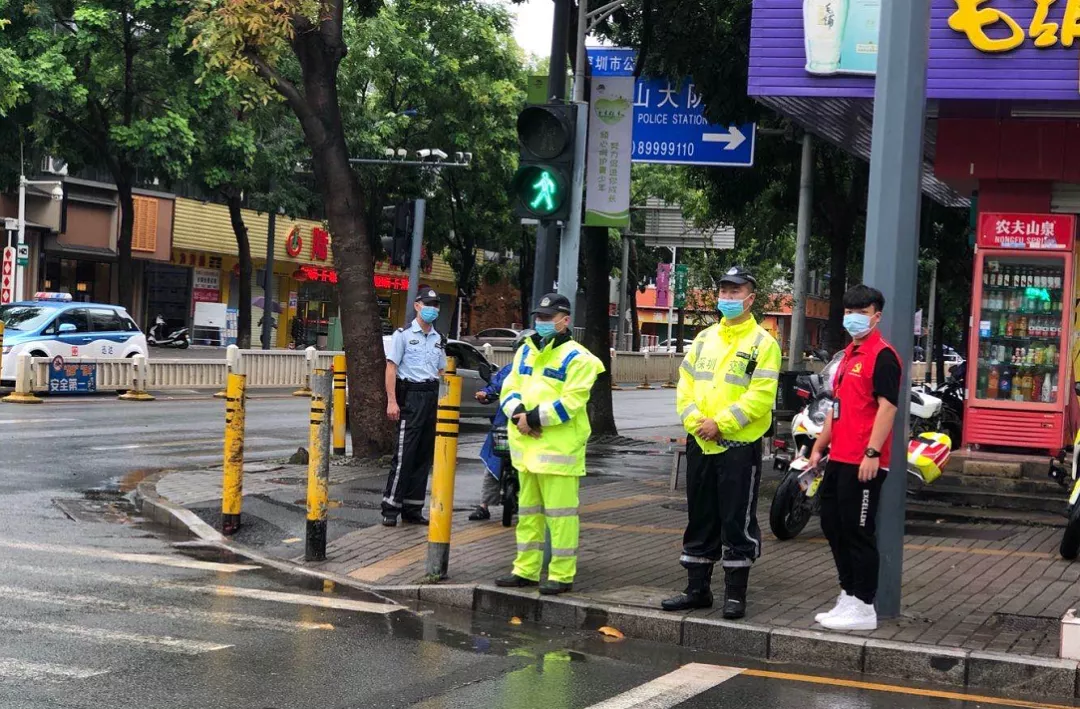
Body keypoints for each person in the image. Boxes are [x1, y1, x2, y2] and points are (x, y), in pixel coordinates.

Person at [661, 267, 782, 619]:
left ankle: (735, 595)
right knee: (700, 517)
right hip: (701, 442)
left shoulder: (763, 344)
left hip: (737, 447)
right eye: (724, 292)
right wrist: (696, 422)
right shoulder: (704, 338)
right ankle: (697, 590)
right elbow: (685, 386)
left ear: (750, 298)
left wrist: (722, 424)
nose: (728, 298)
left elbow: (760, 397)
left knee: (736, 520)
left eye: (735, 292)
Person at [493, 293, 604, 595]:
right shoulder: (526, 351)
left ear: (564, 320)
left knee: (561, 517)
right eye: (539, 317)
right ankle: (525, 570)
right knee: (528, 515)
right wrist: (518, 414)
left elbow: (572, 402)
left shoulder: (580, 358)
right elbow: (509, 388)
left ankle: (561, 575)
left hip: (558, 452)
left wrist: (531, 419)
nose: (541, 322)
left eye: (547, 317)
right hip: (527, 449)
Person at [808, 284, 900, 632]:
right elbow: (837, 407)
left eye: (862, 312)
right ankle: (848, 594)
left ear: (877, 316)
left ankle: (864, 606)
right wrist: (819, 446)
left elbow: (888, 408)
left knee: (858, 532)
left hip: (864, 461)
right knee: (833, 526)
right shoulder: (848, 355)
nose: (854, 318)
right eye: (849, 312)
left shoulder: (883, 356)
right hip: (839, 457)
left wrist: (873, 453)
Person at [381, 286, 447, 527]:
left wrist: (444, 403)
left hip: (431, 396)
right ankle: (391, 507)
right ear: (417, 306)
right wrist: (392, 401)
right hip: (411, 396)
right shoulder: (403, 335)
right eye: (428, 304)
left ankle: (413, 508)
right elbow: (391, 368)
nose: (432, 309)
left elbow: (442, 371)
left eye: (436, 305)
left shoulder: (439, 339)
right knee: (404, 455)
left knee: (423, 455)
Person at [469, 331, 535, 522]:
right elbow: (495, 386)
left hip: (531, 428)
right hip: (505, 426)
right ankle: (484, 505)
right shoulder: (510, 370)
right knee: (494, 462)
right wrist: (484, 393)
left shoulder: (543, 371)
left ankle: (529, 503)